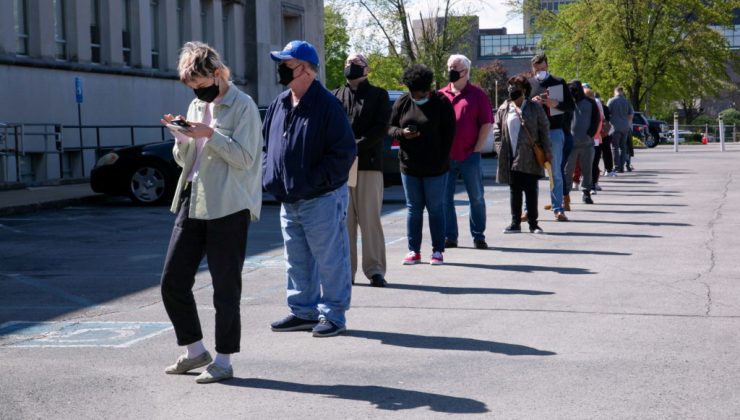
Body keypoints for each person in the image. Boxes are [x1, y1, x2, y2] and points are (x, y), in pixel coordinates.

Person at [159, 41, 263, 384]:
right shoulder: (194, 104)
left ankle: (223, 360)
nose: (198, 93)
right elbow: (185, 160)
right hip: (195, 197)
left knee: (225, 288)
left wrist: (210, 134)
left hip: (229, 205)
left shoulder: (243, 105)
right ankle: (194, 351)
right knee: (172, 281)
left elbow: (246, 159)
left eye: (202, 86)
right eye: (192, 88)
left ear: (218, 74)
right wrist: (182, 138)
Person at [262, 40, 356, 338]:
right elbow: (267, 145)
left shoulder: (328, 105)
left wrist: (314, 181)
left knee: (330, 258)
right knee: (296, 259)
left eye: (286, 64)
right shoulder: (279, 103)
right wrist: (270, 175)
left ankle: (334, 315)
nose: (280, 69)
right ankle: (303, 311)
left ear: (304, 69)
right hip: (289, 199)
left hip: (322, 198)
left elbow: (343, 153)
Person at [333, 53, 390, 288]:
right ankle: (347, 271)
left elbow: (380, 128)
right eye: (347, 63)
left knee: (370, 220)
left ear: (366, 69)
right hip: (342, 168)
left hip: (368, 164)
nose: (350, 66)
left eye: (355, 64)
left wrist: (354, 146)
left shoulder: (379, 95)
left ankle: (375, 270)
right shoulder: (335, 95)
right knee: (344, 222)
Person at [389, 64, 455, 265]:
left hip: (436, 168)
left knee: (435, 209)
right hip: (409, 167)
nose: (416, 97)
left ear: (428, 89)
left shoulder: (442, 103)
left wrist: (441, 159)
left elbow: (449, 135)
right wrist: (402, 134)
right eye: (413, 94)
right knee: (413, 209)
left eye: (420, 94)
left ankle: (437, 251)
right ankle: (413, 250)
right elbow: (390, 127)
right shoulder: (402, 101)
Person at [439, 54, 493, 250]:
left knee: (476, 197)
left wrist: (478, 147)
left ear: (466, 72)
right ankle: (449, 237)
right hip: (446, 157)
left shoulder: (477, 95)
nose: (451, 70)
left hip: (470, 155)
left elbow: (487, 122)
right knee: (445, 198)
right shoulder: (440, 95)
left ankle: (478, 235)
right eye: (449, 67)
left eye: (455, 67)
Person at [494, 74, 552, 234]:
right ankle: (515, 222)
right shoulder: (504, 107)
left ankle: (533, 223)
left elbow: (544, 130)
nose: (512, 90)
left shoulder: (534, 108)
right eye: (510, 87)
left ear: (525, 90)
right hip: (510, 155)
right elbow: (497, 127)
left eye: (516, 87)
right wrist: (499, 146)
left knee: (531, 189)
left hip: (530, 154)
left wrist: (548, 151)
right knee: (515, 190)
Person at [528, 54, 574, 222]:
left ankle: (558, 208)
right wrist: (532, 102)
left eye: (542, 68)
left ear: (547, 66)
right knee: (531, 172)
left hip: (554, 130)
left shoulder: (558, 82)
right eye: (536, 69)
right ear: (532, 68)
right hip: (534, 133)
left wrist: (555, 104)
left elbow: (571, 106)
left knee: (555, 172)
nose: (539, 71)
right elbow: (522, 107)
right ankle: (529, 210)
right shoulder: (530, 83)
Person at [563, 80, 600, 205]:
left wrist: (590, 134)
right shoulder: (567, 103)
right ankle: (565, 194)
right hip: (570, 144)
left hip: (587, 143)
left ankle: (586, 193)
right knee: (568, 170)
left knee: (587, 170)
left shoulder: (590, 103)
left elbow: (596, 119)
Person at [607, 86, 634, 173]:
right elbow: (631, 115)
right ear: (622, 92)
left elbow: (607, 114)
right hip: (625, 127)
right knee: (623, 147)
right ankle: (622, 167)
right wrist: (626, 122)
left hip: (615, 127)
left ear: (615, 91)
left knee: (615, 147)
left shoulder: (611, 101)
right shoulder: (627, 101)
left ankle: (617, 166)